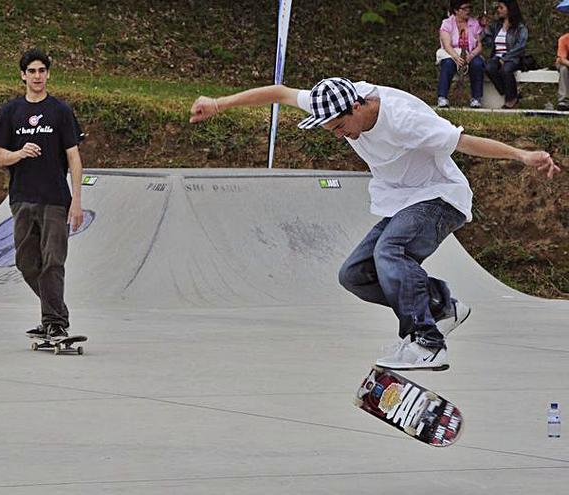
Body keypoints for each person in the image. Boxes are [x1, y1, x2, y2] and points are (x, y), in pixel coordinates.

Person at [189, 77, 560, 370]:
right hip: (402, 202)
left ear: (356, 107)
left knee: (391, 251)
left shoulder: (404, 120)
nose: (339, 135)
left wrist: (522, 155)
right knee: (355, 274)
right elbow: (280, 92)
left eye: (339, 127)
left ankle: (427, 343)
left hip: (440, 198)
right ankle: (441, 306)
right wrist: (219, 104)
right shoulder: (334, 97)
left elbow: (466, 142)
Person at [0, 48, 84, 340]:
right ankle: (55, 313)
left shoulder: (60, 111)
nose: (37, 76)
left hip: (55, 198)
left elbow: (74, 157)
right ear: (23, 76)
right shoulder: (10, 112)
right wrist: (19, 153)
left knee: (53, 260)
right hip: (22, 197)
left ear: (48, 74)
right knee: (27, 262)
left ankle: (54, 321)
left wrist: (77, 201)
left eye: (42, 71)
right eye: (31, 71)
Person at [436, 1, 485, 108]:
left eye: (469, 8)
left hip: (470, 53)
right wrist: (456, 57)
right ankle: (442, 97)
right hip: (452, 53)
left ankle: (476, 98)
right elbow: (447, 45)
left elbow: (479, 45)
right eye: (465, 8)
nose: (468, 11)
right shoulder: (447, 23)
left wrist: (471, 56)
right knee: (448, 63)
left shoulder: (474, 23)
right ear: (456, 10)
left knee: (478, 63)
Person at [482, 0, 528, 109]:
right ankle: (508, 91)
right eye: (498, 8)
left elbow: (521, 46)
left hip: (512, 58)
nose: (498, 10)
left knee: (506, 70)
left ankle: (511, 100)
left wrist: (506, 58)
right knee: (489, 67)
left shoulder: (520, 27)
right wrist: (484, 27)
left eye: (501, 8)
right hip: (497, 56)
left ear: (509, 10)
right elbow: (487, 40)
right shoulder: (497, 26)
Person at [555, 32, 569, 111]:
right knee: (564, 69)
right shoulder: (564, 39)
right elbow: (561, 59)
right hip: (564, 63)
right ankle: (563, 101)